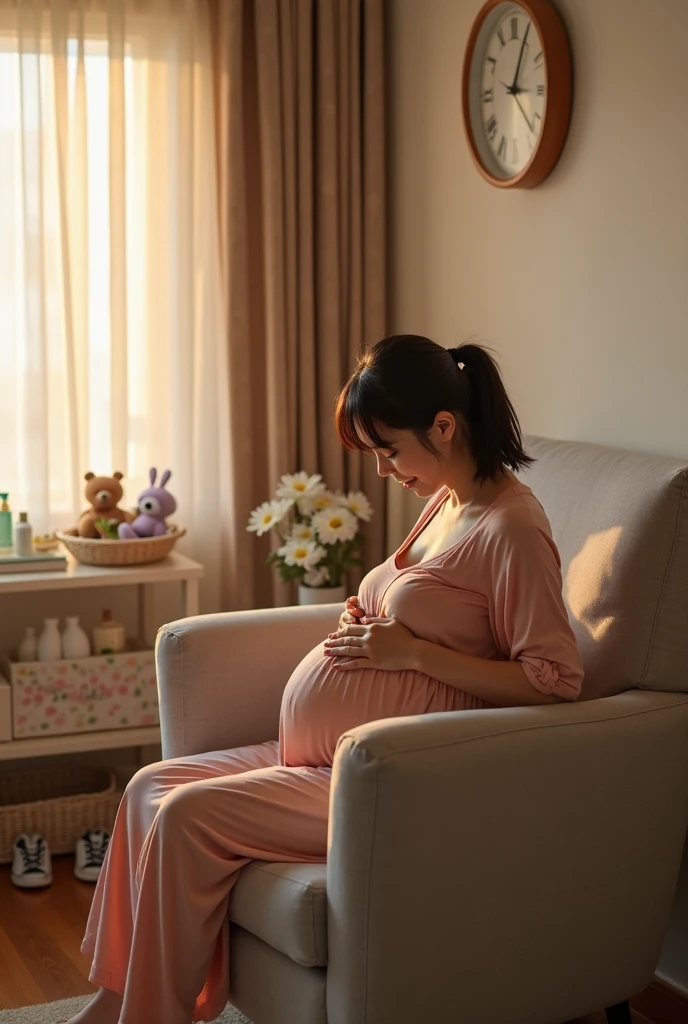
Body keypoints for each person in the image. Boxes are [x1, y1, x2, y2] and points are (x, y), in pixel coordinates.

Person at [66, 335, 584, 1024]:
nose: (382, 471)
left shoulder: (513, 529)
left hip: (385, 780)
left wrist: (414, 655)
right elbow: (429, 609)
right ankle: (112, 1002)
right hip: (318, 755)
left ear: (445, 426)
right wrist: (368, 614)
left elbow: (553, 680)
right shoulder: (448, 502)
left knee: (188, 818)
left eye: (389, 450)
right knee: (146, 788)